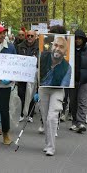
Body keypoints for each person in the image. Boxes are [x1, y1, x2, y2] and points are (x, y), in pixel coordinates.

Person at [37, 25, 68, 156]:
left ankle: (51, 147)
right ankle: (48, 143)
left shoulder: (66, 63)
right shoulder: (44, 54)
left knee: (52, 116)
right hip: (44, 88)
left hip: (57, 89)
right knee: (45, 117)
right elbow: (37, 70)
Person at [69, 29, 87, 134]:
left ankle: (80, 122)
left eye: (80, 39)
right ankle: (74, 121)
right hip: (72, 80)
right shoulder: (69, 50)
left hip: (85, 80)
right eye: (76, 38)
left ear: (83, 40)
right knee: (73, 102)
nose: (77, 40)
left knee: (83, 101)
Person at [16, 30, 39, 122]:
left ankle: (30, 114)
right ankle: (21, 113)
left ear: (35, 37)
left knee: (32, 94)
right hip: (22, 74)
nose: (29, 37)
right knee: (21, 93)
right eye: (28, 35)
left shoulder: (39, 47)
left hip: (33, 74)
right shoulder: (20, 46)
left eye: (31, 36)